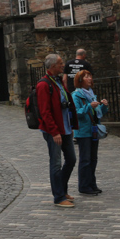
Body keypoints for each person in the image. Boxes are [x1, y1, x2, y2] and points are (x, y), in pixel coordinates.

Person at [36, 53, 77, 208]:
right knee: (56, 163)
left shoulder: (58, 81)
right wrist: (54, 131)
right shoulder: (44, 85)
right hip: (54, 131)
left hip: (65, 128)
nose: (63, 65)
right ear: (52, 66)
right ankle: (58, 197)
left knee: (71, 159)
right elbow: (45, 111)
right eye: (60, 63)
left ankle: (62, 188)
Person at [73, 69, 107, 195]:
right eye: (86, 76)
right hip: (83, 131)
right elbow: (76, 114)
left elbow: (98, 114)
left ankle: (92, 183)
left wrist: (103, 106)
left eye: (90, 76)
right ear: (80, 80)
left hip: (93, 130)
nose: (89, 78)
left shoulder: (91, 94)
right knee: (85, 159)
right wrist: (89, 106)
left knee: (93, 159)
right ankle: (84, 186)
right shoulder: (76, 95)